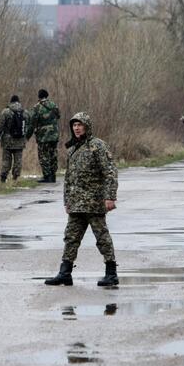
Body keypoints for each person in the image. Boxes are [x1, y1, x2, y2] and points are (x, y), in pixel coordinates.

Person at [45, 112, 119, 287]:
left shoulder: (97, 146)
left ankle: (111, 273)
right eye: (74, 125)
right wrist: (67, 201)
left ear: (87, 126)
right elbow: (69, 178)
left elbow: (110, 172)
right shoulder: (73, 149)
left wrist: (110, 196)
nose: (77, 128)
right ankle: (65, 273)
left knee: (102, 238)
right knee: (70, 237)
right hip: (77, 203)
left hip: (94, 202)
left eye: (80, 125)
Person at [27, 89, 60, 183]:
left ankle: (47, 176)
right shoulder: (54, 105)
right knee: (53, 154)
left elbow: (32, 123)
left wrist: (27, 137)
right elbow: (58, 116)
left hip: (43, 136)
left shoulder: (37, 107)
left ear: (39, 96)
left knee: (43, 156)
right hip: (54, 135)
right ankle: (53, 175)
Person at [0, 95, 28, 183]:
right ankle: (15, 178)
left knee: (6, 160)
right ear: (18, 102)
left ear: (10, 102)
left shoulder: (6, 112)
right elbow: (28, 126)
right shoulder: (25, 112)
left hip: (7, 141)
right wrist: (26, 138)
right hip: (20, 141)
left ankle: (3, 178)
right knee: (18, 160)